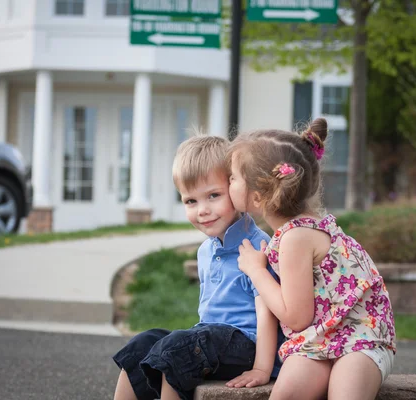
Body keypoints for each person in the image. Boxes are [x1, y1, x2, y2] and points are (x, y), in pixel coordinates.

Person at [227, 118, 397, 400]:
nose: (228, 181)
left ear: (257, 198)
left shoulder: (296, 238)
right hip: (315, 342)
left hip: (361, 339)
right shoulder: (301, 230)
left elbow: (296, 316)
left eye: (232, 177)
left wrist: (256, 271)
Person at [112, 135, 281, 400]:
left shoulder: (256, 247)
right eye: (191, 201)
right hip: (209, 340)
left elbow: (268, 314)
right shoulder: (206, 251)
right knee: (143, 343)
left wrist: (262, 367)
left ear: (236, 189)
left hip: (247, 345)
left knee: (176, 349)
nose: (202, 210)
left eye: (213, 195)